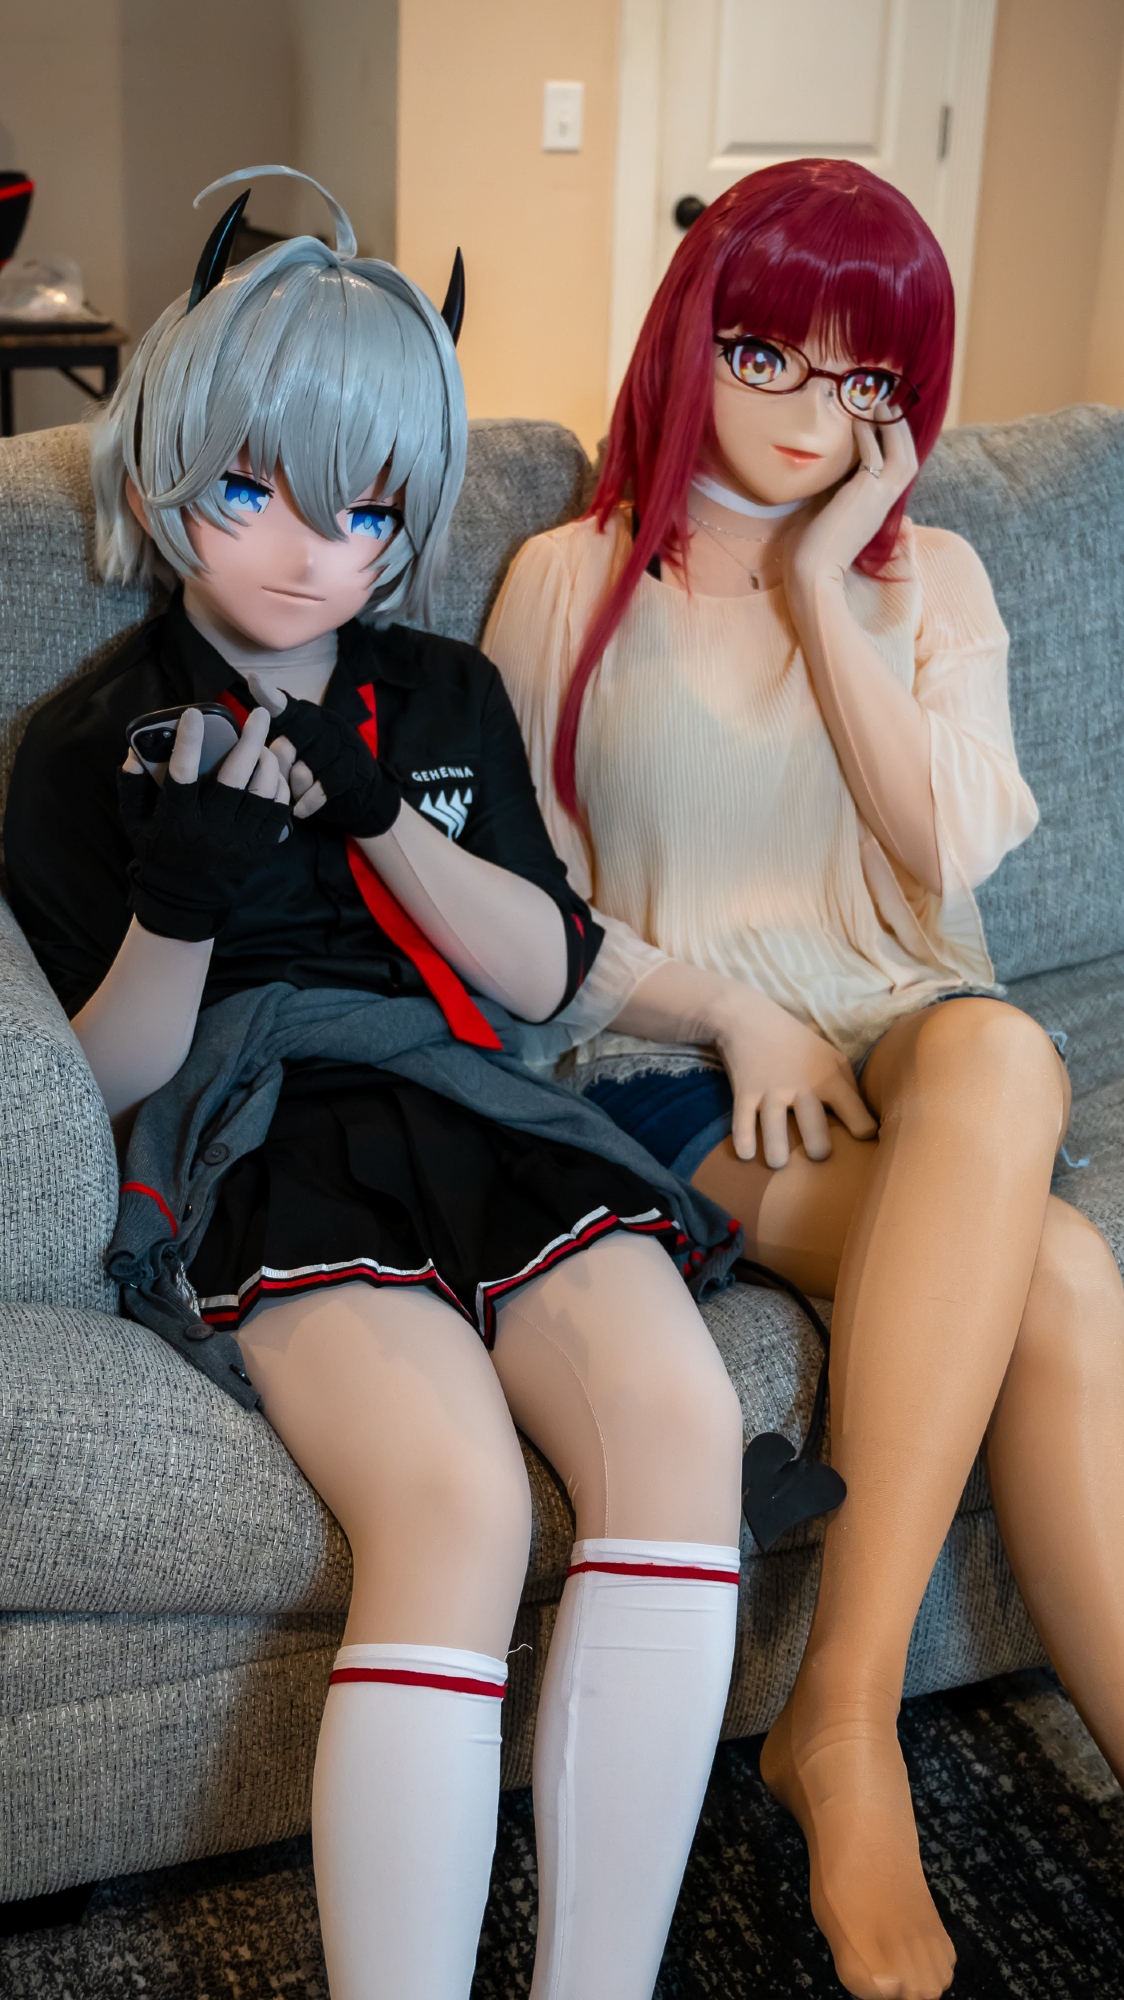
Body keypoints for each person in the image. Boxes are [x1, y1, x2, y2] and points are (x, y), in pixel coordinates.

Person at [3, 167, 748, 2000]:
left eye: (364, 508)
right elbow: (93, 1089)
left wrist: (375, 813)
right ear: (166, 469)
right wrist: (181, 907)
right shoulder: (86, 740)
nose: (303, 550)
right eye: (248, 489)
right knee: (458, 1505)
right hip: (260, 1127)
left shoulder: (442, 693)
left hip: (480, 1103)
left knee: (682, 1426)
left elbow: (543, 975)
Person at [484, 157, 1124, 2000]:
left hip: (912, 1030)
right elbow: (528, 921)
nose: (806, 411)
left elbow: (942, 855)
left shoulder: (939, 579)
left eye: (866, 378)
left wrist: (830, 589)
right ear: (695, 333)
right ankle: (846, 1737)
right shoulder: (569, 579)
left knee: (998, 1045)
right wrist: (732, 1014)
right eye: (766, 352)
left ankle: (839, 1706)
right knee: (1057, 1273)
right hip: (680, 1067)